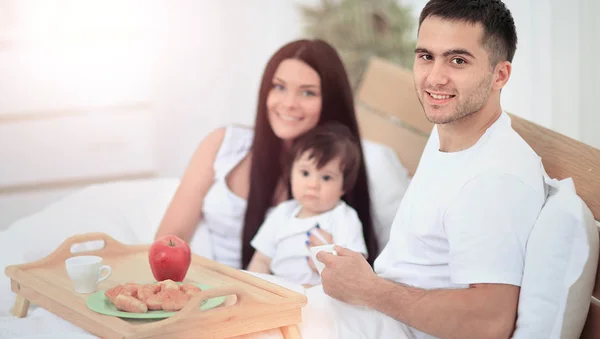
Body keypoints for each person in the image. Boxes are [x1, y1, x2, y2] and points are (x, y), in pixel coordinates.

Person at [315, 1, 547, 338]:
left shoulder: (495, 180)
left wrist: (368, 289)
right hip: (371, 316)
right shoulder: (453, 129)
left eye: (457, 60)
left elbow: (490, 321)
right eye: (426, 56)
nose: (435, 78)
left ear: (500, 75)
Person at [154, 39, 381, 271]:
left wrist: (339, 268)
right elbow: (171, 237)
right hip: (204, 286)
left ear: (330, 101)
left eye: (308, 92)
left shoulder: (342, 173)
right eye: (280, 87)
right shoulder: (224, 144)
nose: (289, 103)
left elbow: (362, 271)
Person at [247, 122, 368, 286]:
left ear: (344, 187)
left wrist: (329, 260)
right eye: (305, 173)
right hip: (277, 290)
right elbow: (261, 260)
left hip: (320, 296)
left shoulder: (343, 217)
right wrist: (252, 286)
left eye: (326, 177)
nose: (313, 184)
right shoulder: (282, 213)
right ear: (291, 174)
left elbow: (355, 271)